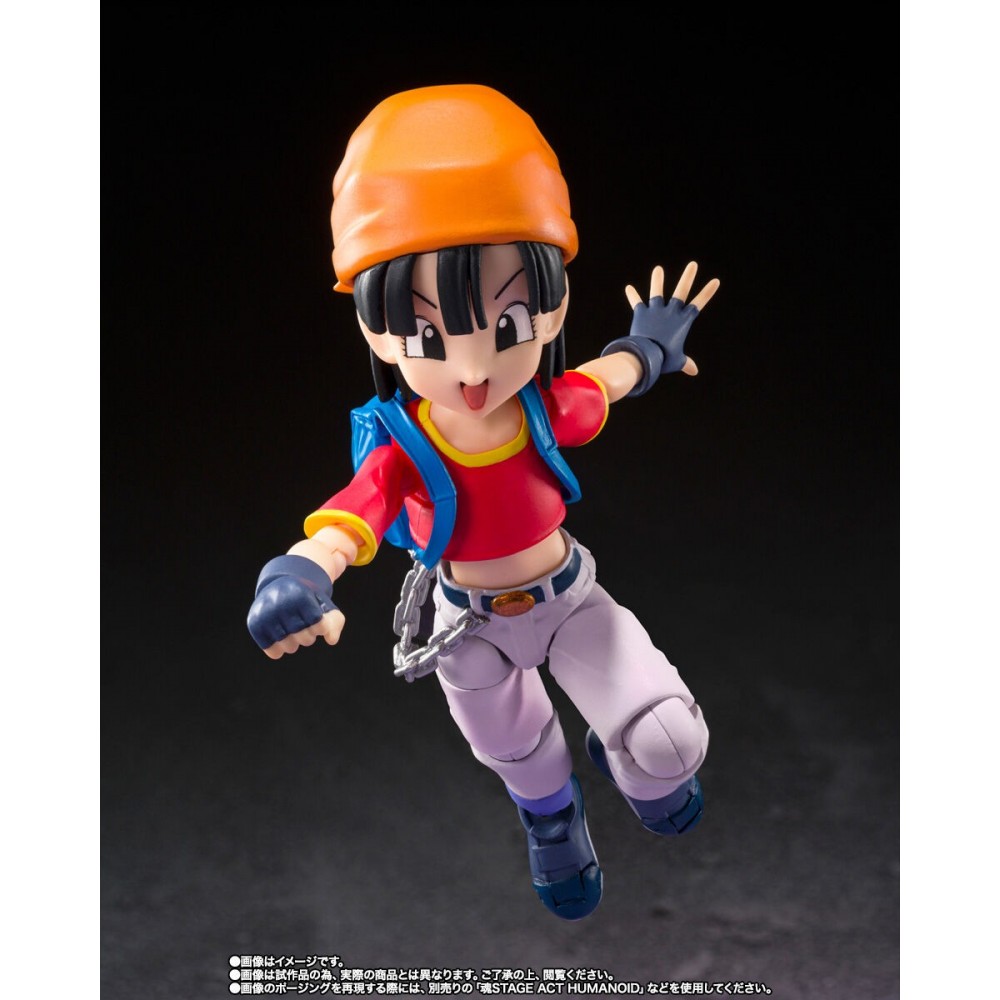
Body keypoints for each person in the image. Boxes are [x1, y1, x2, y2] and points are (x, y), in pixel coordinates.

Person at [247, 85, 719, 920]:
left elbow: (610, 378)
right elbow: (351, 516)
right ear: (377, 331)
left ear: (553, 306)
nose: (471, 369)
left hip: (568, 599)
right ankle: (552, 821)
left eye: (505, 325)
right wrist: (298, 572)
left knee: (667, 740)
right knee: (521, 756)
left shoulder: (545, 408)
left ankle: (631, 757)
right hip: (466, 626)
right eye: (429, 335)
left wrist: (647, 348)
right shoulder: (404, 447)